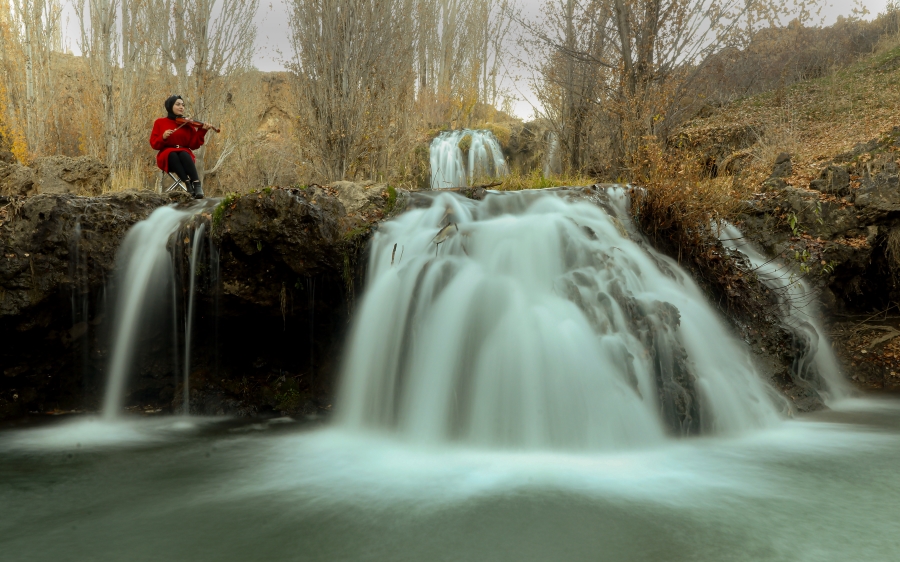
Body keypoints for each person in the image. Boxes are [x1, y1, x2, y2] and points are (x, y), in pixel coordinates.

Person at [149, 95, 212, 199]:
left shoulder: (187, 123)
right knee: (172, 153)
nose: (181, 107)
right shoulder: (159, 122)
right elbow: (154, 144)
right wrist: (163, 137)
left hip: (185, 156)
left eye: (183, 105)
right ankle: (187, 183)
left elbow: (193, 145)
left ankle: (196, 184)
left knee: (183, 153)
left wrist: (202, 131)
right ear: (170, 106)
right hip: (167, 156)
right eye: (178, 104)